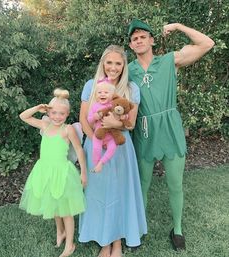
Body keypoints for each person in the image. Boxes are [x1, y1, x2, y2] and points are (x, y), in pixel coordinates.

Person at [127, 19, 215, 251]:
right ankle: (139, 229)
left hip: (170, 128)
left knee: (175, 184)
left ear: (152, 40)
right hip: (144, 131)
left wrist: (178, 27)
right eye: (134, 39)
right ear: (131, 45)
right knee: (142, 185)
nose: (139, 40)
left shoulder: (169, 61)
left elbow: (207, 43)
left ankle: (177, 229)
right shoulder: (128, 70)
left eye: (143, 36)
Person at [79, 45, 147, 257]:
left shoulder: (131, 89)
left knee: (118, 192)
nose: (113, 67)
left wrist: (114, 127)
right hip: (96, 147)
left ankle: (116, 242)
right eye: (109, 62)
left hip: (120, 149)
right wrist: (96, 140)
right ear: (103, 63)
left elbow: (131, 124)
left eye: (118, 63)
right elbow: (83, 119)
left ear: (124, 66)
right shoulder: (91, 86)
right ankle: (104, 241)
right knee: (98, 193)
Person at [19, 88, 87, 257]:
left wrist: (83, 172)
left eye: (61, 114)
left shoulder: (68, 129)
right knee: (53, 204)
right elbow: (23, 116)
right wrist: (37, 108)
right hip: (45, 171)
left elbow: (79, 150)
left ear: (67, 114)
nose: (57, 117)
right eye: (54, 113)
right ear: (49, 112)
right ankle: (60, 232)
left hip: (62, 173)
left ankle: (70, 245)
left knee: (65, 210)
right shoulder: (45, 124)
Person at [88, 79, 118, 172]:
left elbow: (122, 114)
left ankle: (102, 162)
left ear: (112, 95)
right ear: (96, 95)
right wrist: (95, 117)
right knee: (96, 149)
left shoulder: (113, 105)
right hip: (99, 135)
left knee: (113, 148)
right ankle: (96, 165)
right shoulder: (94, 106)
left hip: (110, 135)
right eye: (99, 92)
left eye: (106, 92)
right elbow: (89, 120)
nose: (102, 94)